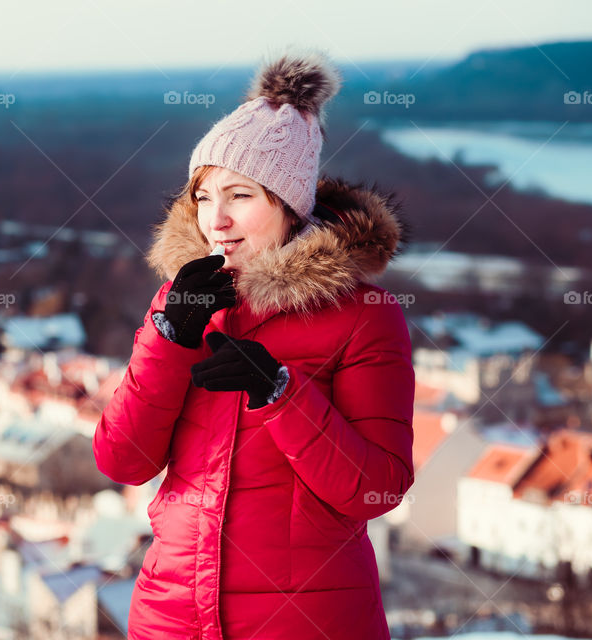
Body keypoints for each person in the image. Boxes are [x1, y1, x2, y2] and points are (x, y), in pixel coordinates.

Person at [93, 48, 415, 640]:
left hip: (306, 622)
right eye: (204, 196)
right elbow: (123, 460)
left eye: (240, 196)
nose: (216, 220)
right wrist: (171, 338)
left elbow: (380, 486)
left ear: (289, 206)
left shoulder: (364, 317)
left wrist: (281, 393)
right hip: (171, 618)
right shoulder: (181, 300)